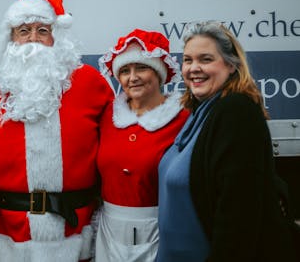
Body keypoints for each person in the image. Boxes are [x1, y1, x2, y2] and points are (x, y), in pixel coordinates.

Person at [0, 0, 114, 262]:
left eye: (43, 30)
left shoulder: (90, 83)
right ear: (10, 39)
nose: (33, 39)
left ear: (56, 37)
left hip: (76, 231)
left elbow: (113, 155)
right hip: (7, 234)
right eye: (24, 31)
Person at [156, 21, 297, 261]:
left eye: (206, 59)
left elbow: (238, 218)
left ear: (231, 65)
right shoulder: (202, 112)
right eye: (188, 60)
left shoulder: (235, 112)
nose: (194, 68)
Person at [95, 29, 189, 262]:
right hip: (109, 230)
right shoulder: (107, 115)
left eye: (142, 68)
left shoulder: (184, 118)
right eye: (125, 71)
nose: (132, 77)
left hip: (163, 228)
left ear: (159, 73)